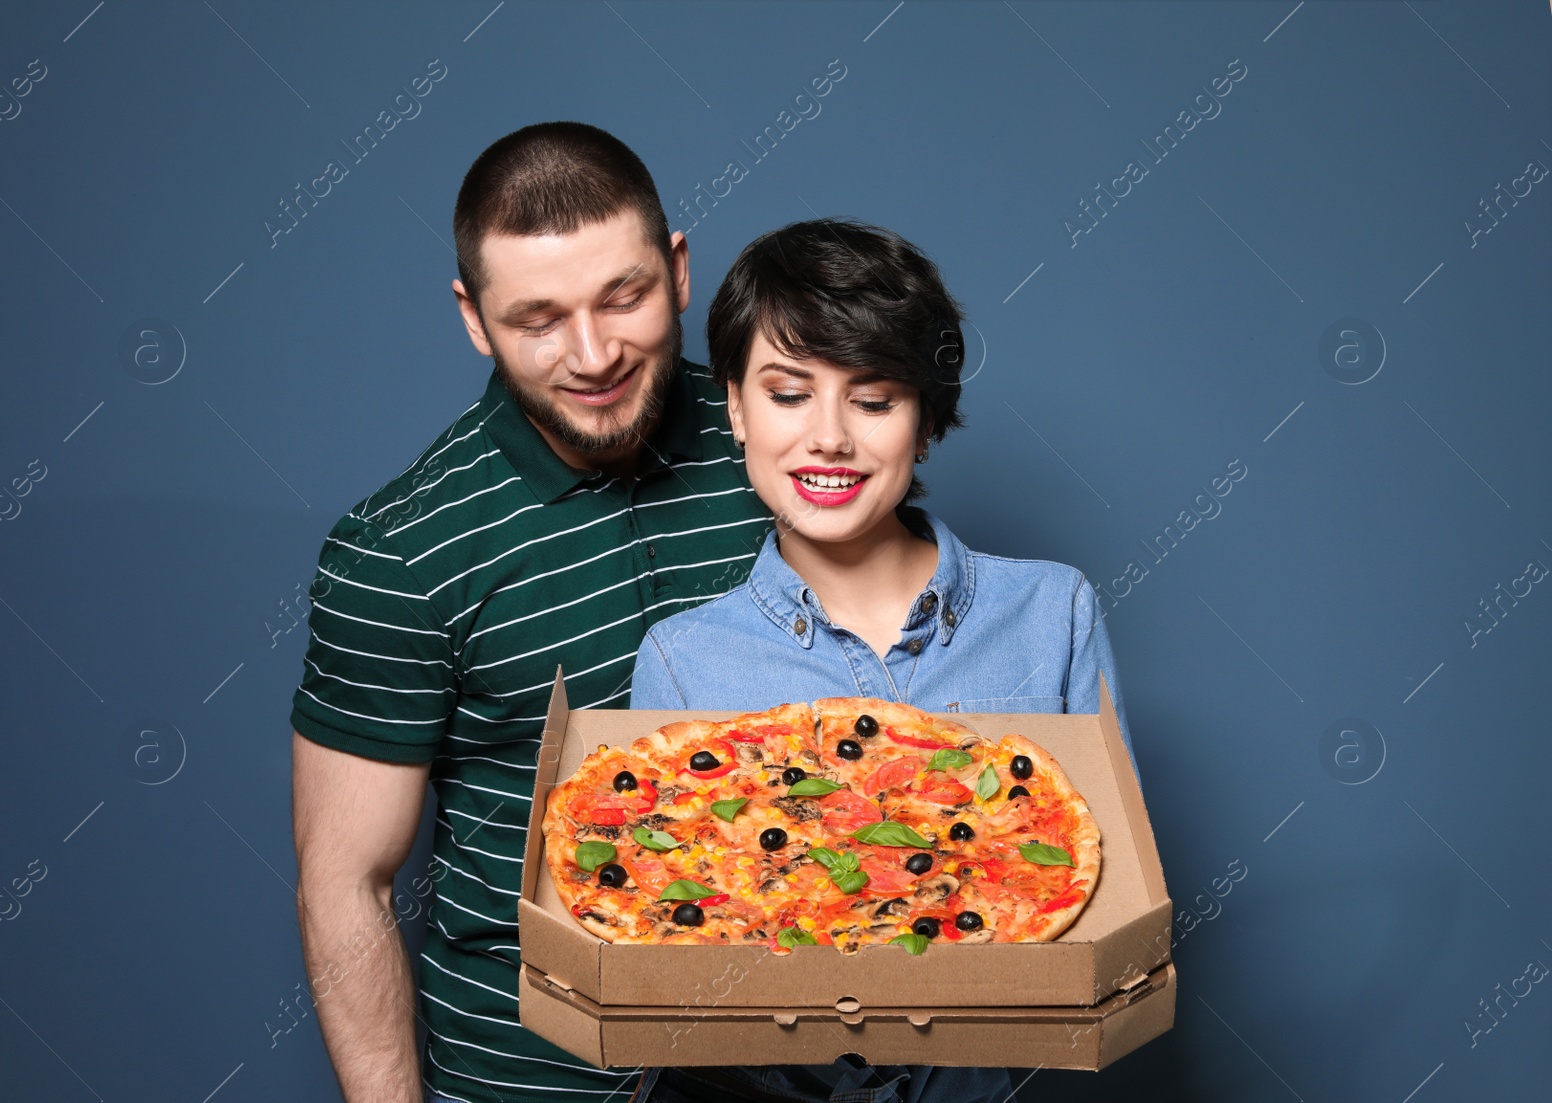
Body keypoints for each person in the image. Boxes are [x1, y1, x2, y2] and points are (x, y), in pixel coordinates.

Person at [289, 122, 769, 1103]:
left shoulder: (788, 442)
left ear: (678, 271)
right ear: (474, 318)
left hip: (783, 1063)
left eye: (622, 296)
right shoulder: (399, 551)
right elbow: (346, 884)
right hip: (524, 1078)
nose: (592, 353)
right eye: (537, 319)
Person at [629, 219, 1132, 1103]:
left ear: (927, 421)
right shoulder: (681, 662)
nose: (829, 437)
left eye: (874, 399)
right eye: (788, 394)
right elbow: (675, 940)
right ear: (737, 408)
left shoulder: (1053, 614)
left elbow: (1108, 901)